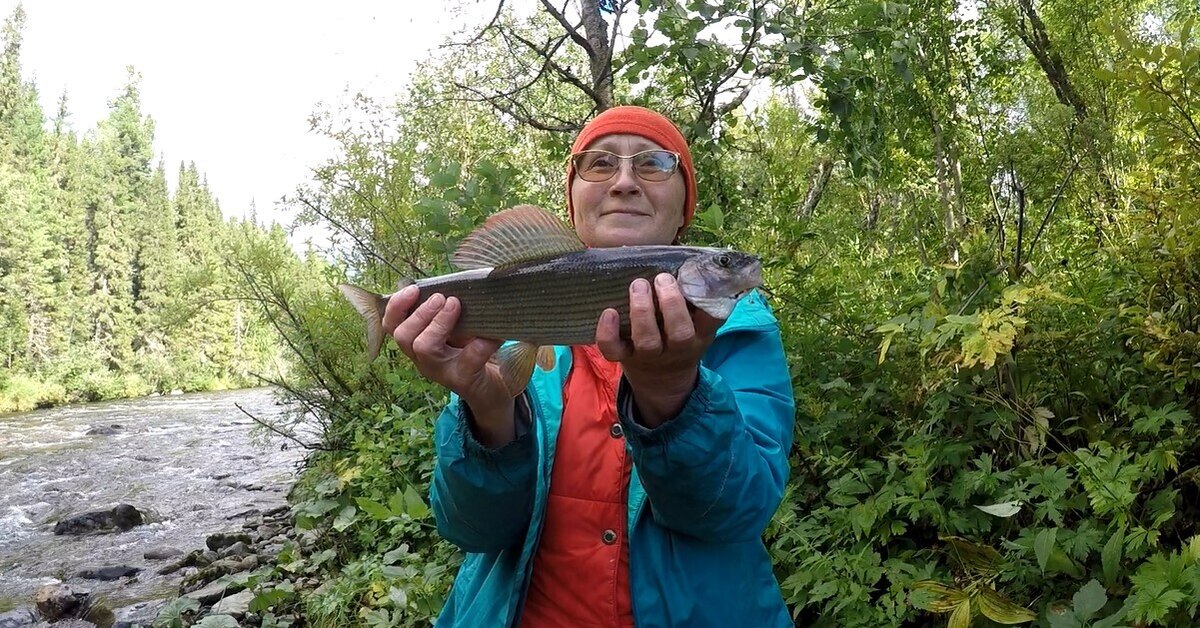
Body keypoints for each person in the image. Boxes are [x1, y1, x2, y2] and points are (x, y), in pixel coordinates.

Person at [381, 105, 795, 627]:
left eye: (655, 163)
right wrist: (487, 410)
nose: (624, 181)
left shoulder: (744, 333)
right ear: (572, 203)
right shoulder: (490, 342)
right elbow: (473, 532)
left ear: (685, 207)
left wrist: (672, 393)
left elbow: (736, 511)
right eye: (598, 164)